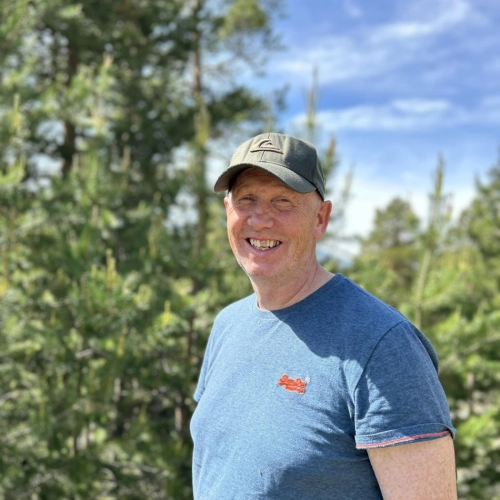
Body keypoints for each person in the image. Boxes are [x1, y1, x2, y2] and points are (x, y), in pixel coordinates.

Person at [190, 132, 457, 499]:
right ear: (227, 211)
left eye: (282, 201)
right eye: (246, 199)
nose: (260, 219)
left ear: (320, 219)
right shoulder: (227, 325)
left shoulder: (383, 343)